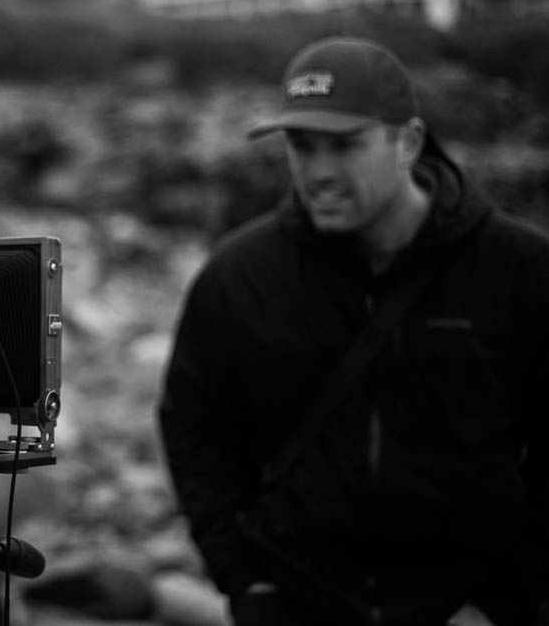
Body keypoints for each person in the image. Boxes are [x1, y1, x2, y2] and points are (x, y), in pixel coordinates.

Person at [158, 37, 549, 626]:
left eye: (344, 146)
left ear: (408, 142)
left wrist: (513, 597)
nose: (319, 173)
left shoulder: (518, 269)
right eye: (301, 145)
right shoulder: (238, 277)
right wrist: (246, 580)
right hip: (296, 602)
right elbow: (195, 428)